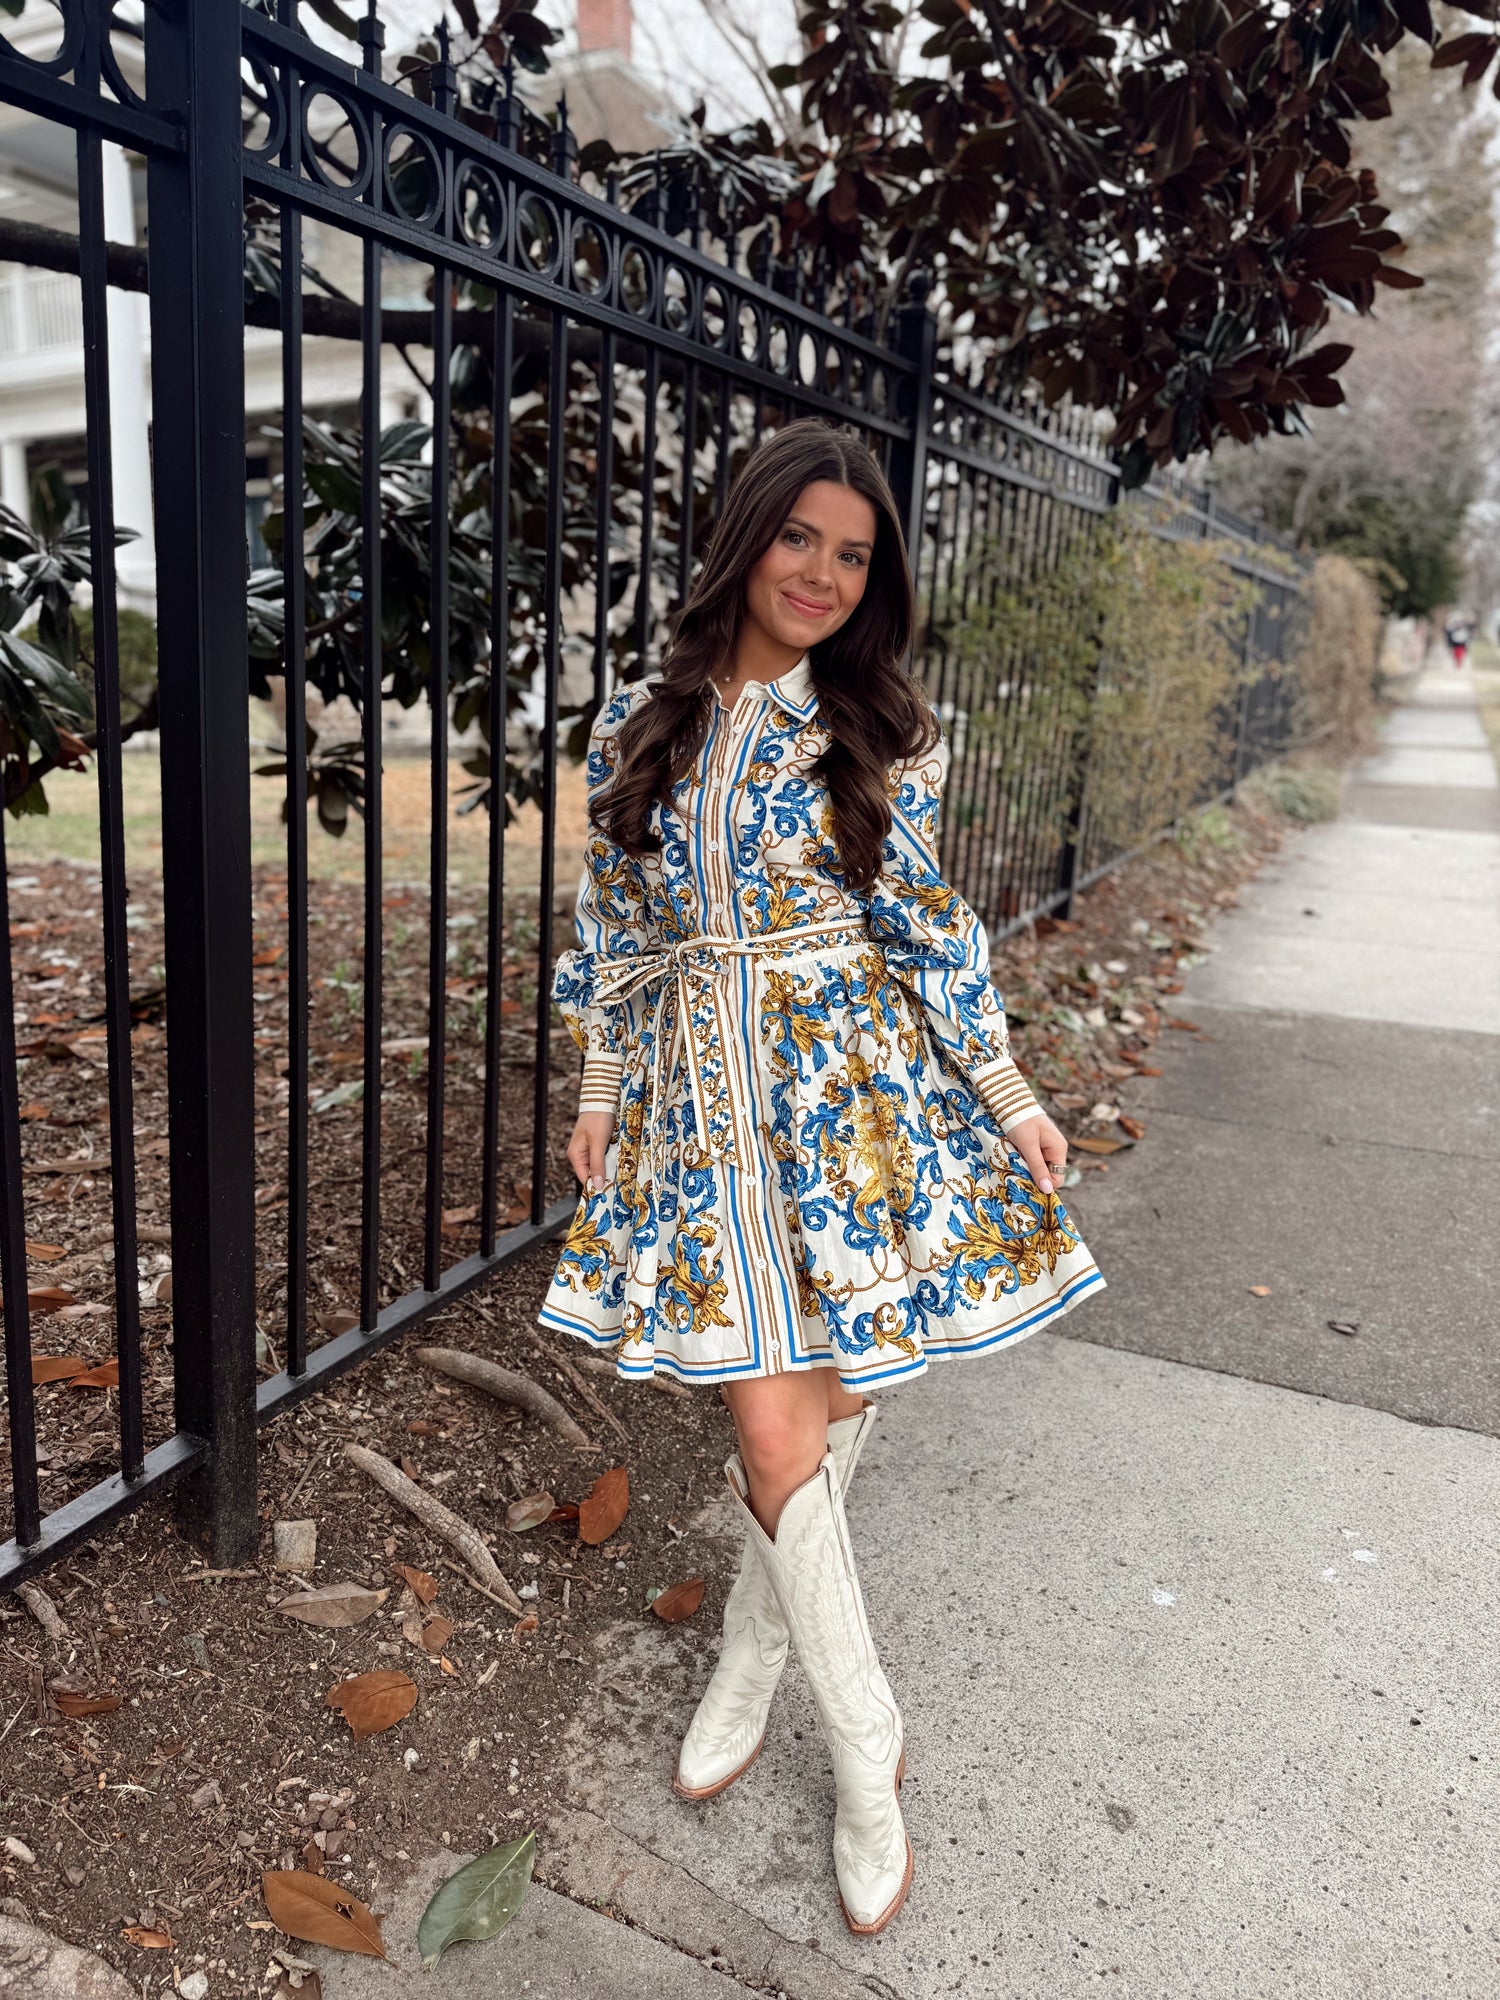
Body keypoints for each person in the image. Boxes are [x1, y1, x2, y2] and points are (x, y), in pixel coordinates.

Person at [538, 417, 1105, 1937]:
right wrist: (600, 1085)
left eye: (855, 556)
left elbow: (927, 925)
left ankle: (755, 1649)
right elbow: (620, 924)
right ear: (747, 536)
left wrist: (1004, 1088)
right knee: (779, 1420)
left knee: (820, 1401)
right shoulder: (636, 725)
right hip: (696, 1103)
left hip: (849, 1100)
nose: (827, 575)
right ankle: (867, 1749)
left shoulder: (878, 732)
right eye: (804, 539)